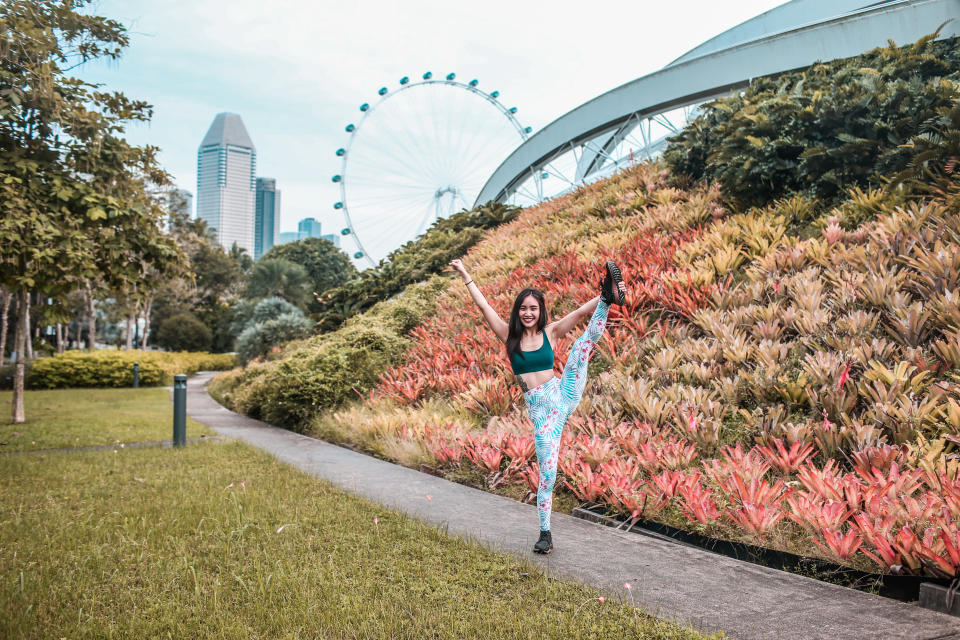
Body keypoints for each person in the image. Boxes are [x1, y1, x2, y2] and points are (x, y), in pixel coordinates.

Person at [448, 258, 627, 554]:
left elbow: (582, 312)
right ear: (518, 312)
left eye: (533, 308)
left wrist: (604, 295)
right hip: (544, 417)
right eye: (523, 308)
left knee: (582, 347)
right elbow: (484, 307)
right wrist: (466, 274)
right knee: (548, 475)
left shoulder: (551, 332)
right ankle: (546, 533)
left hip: (563, 393)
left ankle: (609, 297)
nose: (528, 312)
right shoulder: (509, 336)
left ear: (540, 311)